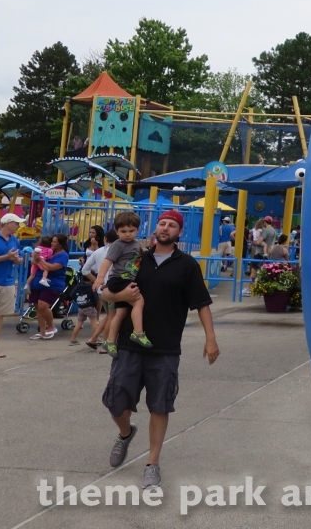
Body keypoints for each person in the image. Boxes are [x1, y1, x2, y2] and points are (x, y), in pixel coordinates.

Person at [100, 209, 219, 488]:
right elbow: (106, 292)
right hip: (129, 343)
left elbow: (201, 303)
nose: (165, 228)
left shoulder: (186, 264)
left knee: (160, 405)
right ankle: (126, 432)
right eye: (162, 223)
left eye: (172, 225)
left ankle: (152, 462)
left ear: (179, 232)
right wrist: (121, 295)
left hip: (165, 347)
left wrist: (210, 338)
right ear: (155, 229)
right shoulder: (137, 257)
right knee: (116, 401)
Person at [93, 211, 150, 354]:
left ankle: (111, 341)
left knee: (120, 312)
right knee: (138, 302)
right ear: (117, 231)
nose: (128, 234)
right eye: (123, 231)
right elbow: (108, 261)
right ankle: (138, 332)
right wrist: (100, 278)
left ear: (137, 230)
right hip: (120, 279)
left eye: (131, 231)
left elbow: (138, 254)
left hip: (126, 279)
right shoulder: (118, 245)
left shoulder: (136, 244)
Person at [29, 233, 69, 340]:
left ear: (61, 244)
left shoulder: (63, 255)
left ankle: (51, 326)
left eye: (55, 242)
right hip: (38, 282)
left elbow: (51, 267)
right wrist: (35, 259)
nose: (52, 243)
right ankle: (42, 330)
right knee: (37, 306)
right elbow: (35, 263)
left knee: (43, 306)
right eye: (52, 241)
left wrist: (40, 260)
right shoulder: (49, 251)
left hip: (53, 284)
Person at [81, 229, 117, 349]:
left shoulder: (98, 252)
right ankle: (106, 344)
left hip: (101, 289)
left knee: (108, 315)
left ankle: (94, 338)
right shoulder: (119, 251)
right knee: (111, 316)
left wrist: (96, 280)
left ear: (105, 238)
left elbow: (85, 270)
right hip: (114, 288)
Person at [0, 213, 24, 358]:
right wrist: (6, 256)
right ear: (8, 223)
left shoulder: (15, 240)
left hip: (7, 281)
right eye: (16, 223)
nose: (18, 226)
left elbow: (17, 260)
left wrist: (17, 259)